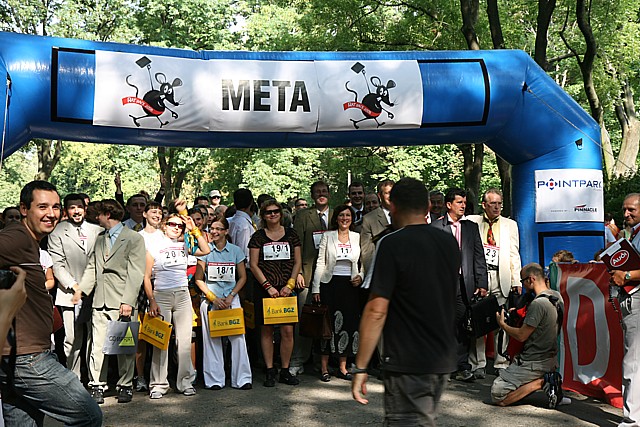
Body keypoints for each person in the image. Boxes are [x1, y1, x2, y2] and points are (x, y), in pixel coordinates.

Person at [352, 178, 459, 426]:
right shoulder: (449, 242)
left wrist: (361, 367)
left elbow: (376, 310)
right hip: (441, 356)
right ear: (428, 206)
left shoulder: (392, 244)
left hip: (408, 358)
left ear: (393, 207)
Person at [0, 180, 102, 426]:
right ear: (24, 209)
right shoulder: (17, 236)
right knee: (88, 415)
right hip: (28, 359)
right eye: (42, 207)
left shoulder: (30, 242)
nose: (51, 214)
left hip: (15, 358)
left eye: (56, 207)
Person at [74, 199, 146, 404]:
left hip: (122, 300)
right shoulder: (100, 239)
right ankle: (97, 384)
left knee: (124, 346)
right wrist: (82, 290)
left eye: (98, 214)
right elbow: (92, 267)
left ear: (107, 214)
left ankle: (125, 385)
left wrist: (128, 301)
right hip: (100, 300)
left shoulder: (134, 238)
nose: (96, 218)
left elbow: (136, 272)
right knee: (96, 345)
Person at [143, 209, 210, 399]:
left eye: (179, 226)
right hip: (161, 294)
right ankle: (158, 384)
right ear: (164, 226)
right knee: (160, 341)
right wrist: (152, 300)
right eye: (172, 224)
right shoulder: (154, 245)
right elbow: (146, 276)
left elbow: (206, 250)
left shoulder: (185, 244)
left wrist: (193, 228)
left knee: (185, 341)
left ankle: (185, 382)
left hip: (182, 294)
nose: (176, 228)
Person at [431, 188, 488, 382]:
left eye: (464, 202)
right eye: (459, 202)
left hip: (466, 283)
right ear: (449, 205)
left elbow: (479, 256)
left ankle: (461, 365)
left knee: (463, 325)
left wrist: (482, 282)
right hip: (443, 285)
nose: (463, 206)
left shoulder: (471, 227)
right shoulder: (436, 227)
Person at [492, 263, 564, 409]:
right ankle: (549, 383)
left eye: (522, 281)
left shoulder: (538, 304)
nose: (522, 285)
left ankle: (543, 382)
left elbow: (521, 336)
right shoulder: (556, 296)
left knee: (498, 394)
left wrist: (503, 325)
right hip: (550, 359)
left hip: (533, 362)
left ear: (531, 279)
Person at [466, 188, 521, 379]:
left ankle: (501, 362)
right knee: (478, 320)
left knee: (501, 320)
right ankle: (477, 363)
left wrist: (516, 280)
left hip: (500, 276)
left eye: (499, 203)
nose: (497, 207)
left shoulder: (510, 225)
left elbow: (514, 253)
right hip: (479, 276)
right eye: (493, 204)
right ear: (484, 205)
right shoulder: (472, 222)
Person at [48, 193, 103, 379]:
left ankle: (96, 381)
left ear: (85, 209)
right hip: (69, 293)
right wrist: (75, 286)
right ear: (66, 210)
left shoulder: (98, 231)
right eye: (72, 207)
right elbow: (58, 264)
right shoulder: (57, 232)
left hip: (95, 292)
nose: (76, 211)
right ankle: (74, 379)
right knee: (72, 339)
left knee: (95, 338)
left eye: (79, 207)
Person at [249, 200, 302, 387]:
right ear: (263, 216)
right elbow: (253, 264)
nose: (272, 214)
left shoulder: (292, 235)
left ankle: (285, 370)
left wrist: (290, 284)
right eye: (268, 212)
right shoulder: (258, 237)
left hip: (287, 289)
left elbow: (297, 261)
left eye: (275, 211)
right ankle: (270, 369)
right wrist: (268, 286)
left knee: (287, 330)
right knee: (267, 330)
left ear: (281, 213)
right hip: (265, 289)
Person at [194, 217, 252, 390]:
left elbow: (242, 277)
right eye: (212, 228)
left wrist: (231, 296)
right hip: (211, 301)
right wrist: (213, 298)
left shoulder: (235, 251)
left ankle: (242, 379)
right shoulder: (205, 251)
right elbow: (198, 279)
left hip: (231, 300)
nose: (214, 232)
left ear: (226, 231)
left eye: (219, 229)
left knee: (238, 339)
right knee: (212, 340)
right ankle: (214, 380)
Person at [311, 205, 363, 382]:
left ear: (352, 218)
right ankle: (324, 368)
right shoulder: (328, 236)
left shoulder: (356, 237)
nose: (345, 218)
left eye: (348, 215)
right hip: (329, 284)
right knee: (328, 325)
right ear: (336, 218)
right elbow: (320, 263)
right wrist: (316, 288)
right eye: (341, 215)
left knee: (348, 324)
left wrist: (361, 276)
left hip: (350, 286)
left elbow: (362, 263)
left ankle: (342, 367)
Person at [291, 181, 333, 375]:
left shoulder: (337, 215)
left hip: (331, 276)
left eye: (324, 191)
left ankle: (321, 361)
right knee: (304, 318)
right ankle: (298, 359)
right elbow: (296, 245)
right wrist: (298, 272)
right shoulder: (303, 216)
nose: (321, 194)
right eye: (317, 192)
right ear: (312, 195)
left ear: (329, 194)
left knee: (326, 319)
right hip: (307, 275)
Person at [610, 193, 640, 426]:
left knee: (633, 361)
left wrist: (626, 275)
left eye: (632, 210)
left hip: (636, 298)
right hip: (630, 298)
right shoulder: (632, 234)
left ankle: (632, 420)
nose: (626, 214)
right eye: (624, 210)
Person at [134, 201, 165, 393]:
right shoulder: (137, 237)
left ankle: (161, 376)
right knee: (141, 336)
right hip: (140, 287)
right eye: (153, 211)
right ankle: (140, 377)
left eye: (160, 212)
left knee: (161, 331)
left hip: (163, 284)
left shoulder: (166, 236)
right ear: (144, 214)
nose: (157, 215)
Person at [360, 179, 394, 275]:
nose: (391, 196)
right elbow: (367, 253)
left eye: (393, 192)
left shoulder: (406, 214)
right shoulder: (369, 219)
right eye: (387, 193)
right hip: (382, 272)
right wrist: (373, 276)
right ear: (379, 195)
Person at [228, 188, 255, 263]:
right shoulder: (243, 224)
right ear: (251, 202)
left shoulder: (231, 220)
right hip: (242, 265)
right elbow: (243, 250)